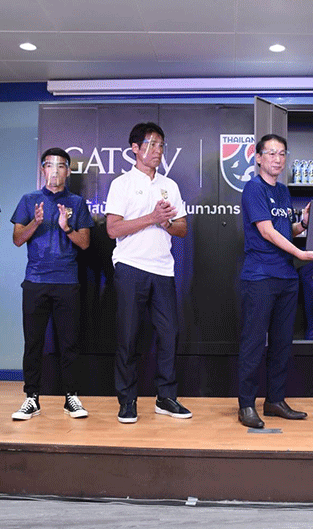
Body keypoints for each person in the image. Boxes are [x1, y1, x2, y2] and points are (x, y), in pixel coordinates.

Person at [237, 134, 313, 429]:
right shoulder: (253, 188)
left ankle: (275, 400)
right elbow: (266, 231)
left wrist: (304, 223)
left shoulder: (283, 191)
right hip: (260, 276)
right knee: (254, 343)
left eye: (282, 154)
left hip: (287, 277)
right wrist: (300, 253)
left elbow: (285, 230)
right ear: (258, 158)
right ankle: (246, 405)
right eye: (271, 153)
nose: (277, 159)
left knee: (281, 345)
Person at [105, 122, 191, 424]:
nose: (158, 151)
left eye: (161, 145)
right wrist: (152, 217)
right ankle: (127, 401)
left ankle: (166, 397)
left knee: (169, 335)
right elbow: (113, 228)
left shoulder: (170, 186)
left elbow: (182, 228)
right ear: (135, 148)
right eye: (152, 144)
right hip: (131, 267)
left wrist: (166, 223)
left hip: (163, 269)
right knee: (128, 337)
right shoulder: (122, 184)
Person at [10, 148, 94, 421]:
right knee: (33, 343)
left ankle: (71, 397)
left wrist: (66, 227)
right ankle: (31, 397)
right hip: (35, 281)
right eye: (50, 165)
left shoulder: (77, 203)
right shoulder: (29, 200)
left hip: (67, 282)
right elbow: (17, 239)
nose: (55, 171)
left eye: (60, 166)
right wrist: (35, 223)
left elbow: (85, 243)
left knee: (69, 343)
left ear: (68, 171)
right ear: (43, 169)